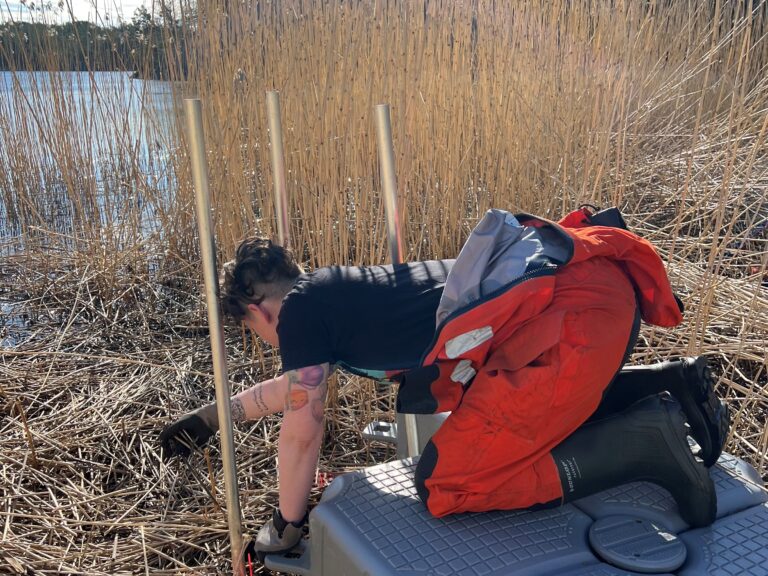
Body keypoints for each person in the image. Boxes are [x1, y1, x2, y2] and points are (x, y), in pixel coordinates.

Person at [159, 206, 730, 560]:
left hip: (570, 326)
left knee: (446, 482)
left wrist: (287, 523)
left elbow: (302, 428)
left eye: (249, 329)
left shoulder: (301, 315)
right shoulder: (334, 297)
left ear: (257, 308)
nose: (263, 340)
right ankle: (665, 385)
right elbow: (295, 390)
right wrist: (214, 417)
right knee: (533, 416)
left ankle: (647, 444)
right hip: (591, 294)